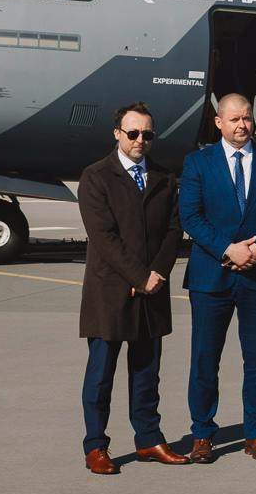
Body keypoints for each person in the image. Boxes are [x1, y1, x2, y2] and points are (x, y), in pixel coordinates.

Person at [176, 93, 256, 463]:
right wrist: (228, 249)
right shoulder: (198, 162)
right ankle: (202, 434)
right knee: (204, 359)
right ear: (219, 123)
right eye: (234, 119)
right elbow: (190, 216)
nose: (242, 125)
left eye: (247, 118)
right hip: (211, 275)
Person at [76, 102, 189, 474]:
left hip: (151, 294)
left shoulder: (163, 178)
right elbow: (103, 237)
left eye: (147, 134)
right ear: (117, 134)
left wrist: (156, 273)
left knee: (147, 374)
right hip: (110, 293)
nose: (141, 140)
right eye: (133, 133)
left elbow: (174, 231)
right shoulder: (96, 177)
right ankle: (96, 446)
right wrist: (139, 277)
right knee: (100, 376)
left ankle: (149, 440)